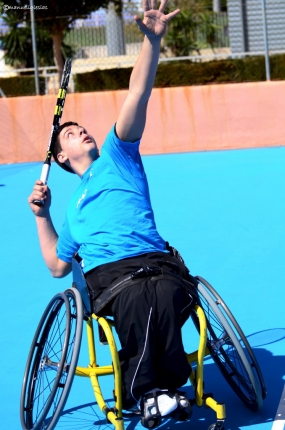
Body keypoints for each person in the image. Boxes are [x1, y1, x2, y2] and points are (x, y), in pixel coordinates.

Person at [28, 0, 194, 427]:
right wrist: (41, 215)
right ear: (62, 158)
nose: (79, 129)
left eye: (80, 126)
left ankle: (160, 391)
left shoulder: (118, 154)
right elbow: (56, 267)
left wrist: (151, 43)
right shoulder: (71, 210)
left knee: (165, 291)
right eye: (69, 132)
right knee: (140, 298)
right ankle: (156, 392)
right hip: (111, 277)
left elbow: (136, 93)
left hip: (157, 261)